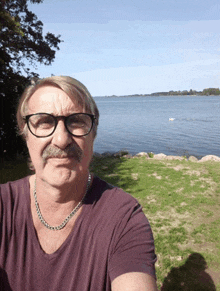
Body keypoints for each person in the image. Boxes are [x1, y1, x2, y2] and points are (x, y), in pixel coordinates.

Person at [0, 76, 157, 291]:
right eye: (44, 121)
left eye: (77, 121)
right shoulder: (3, 205)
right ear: (25, 134)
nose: (62, 140)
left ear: (93, 133)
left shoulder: (123, 218)